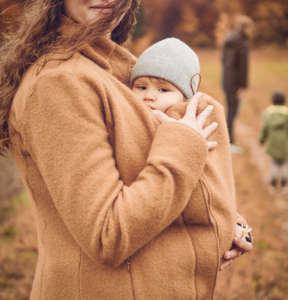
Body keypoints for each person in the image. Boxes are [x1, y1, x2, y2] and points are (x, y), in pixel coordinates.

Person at [0, 1, 252, 299]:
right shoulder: (59, 84)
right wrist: (184, 143)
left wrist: (222, 221)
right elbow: (110, 233)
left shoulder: (119, 70)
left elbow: (142, 175)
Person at [221, 15, 254, 153]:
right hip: (235, 84)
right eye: (250, 27)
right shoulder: (243, 43)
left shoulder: (228, 40)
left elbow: (223, 60)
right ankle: (229, 142)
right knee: (233, 112)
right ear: (245, 28)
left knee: (230, 111)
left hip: (226, 81)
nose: (252, 30)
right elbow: (243, 68)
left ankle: (228, 141)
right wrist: (243, 86)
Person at [259, 90, 288, 188]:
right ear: (284, 101)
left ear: (272, 100)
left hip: (273, 144)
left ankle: (273, 178)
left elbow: (265, 128)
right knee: (284, 162)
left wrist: (261, 140)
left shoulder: (268, 113)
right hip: (285, 145)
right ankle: (284, 179)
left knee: (274, 161)